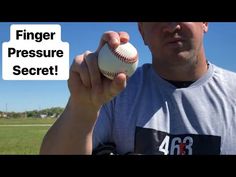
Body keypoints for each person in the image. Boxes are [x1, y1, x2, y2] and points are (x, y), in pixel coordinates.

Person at [40, 22, 236, 155]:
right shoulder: (111, 92)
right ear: (142, 32)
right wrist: (82, 109)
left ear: (205, 23)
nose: (169, 26)